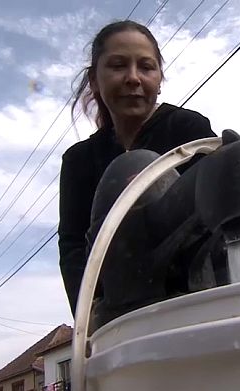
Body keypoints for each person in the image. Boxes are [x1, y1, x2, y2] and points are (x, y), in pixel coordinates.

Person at [58, 20, 217, 319]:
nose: (133, 78)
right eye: (118, 66)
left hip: (197, 303)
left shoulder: (188, 128)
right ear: (94, 79)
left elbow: (213, 220)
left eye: (146, 67)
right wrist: (89, 318)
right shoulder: (79, 160)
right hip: (122, 318)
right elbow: (73, 248)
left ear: (159, 78)